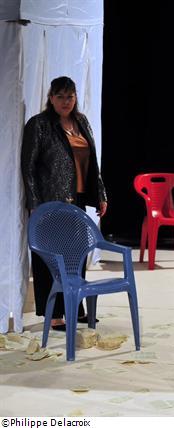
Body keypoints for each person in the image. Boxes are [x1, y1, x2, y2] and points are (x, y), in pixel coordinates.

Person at [21, 76, 107, 331]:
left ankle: (75, 307)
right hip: (51, 201)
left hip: (76, 200)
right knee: (51, 257)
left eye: (70, 96)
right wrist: (35, 202)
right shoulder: (39, 124)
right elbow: (28, 166)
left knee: (76, 254)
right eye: (60, 97)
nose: (65, 101)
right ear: (51, 98)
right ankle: (54, 313)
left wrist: (100, 194)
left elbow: (93, 162)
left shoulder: (81, 121)